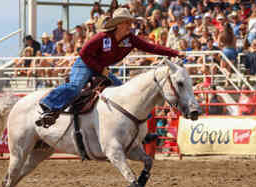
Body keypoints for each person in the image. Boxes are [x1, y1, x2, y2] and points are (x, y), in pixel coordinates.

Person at [35, 8, 185, 128]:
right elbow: (84, 53)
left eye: (130, 23)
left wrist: (175, 52)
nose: (130, 26)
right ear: (118, 24)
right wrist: (100, 70)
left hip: (101, 68)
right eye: (127, 23)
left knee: (123, 91)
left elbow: (151, 47)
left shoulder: (130, 39)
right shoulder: (102, 37)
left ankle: (135, 128)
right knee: (75, 87)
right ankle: (48, 104)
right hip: (85, 64)